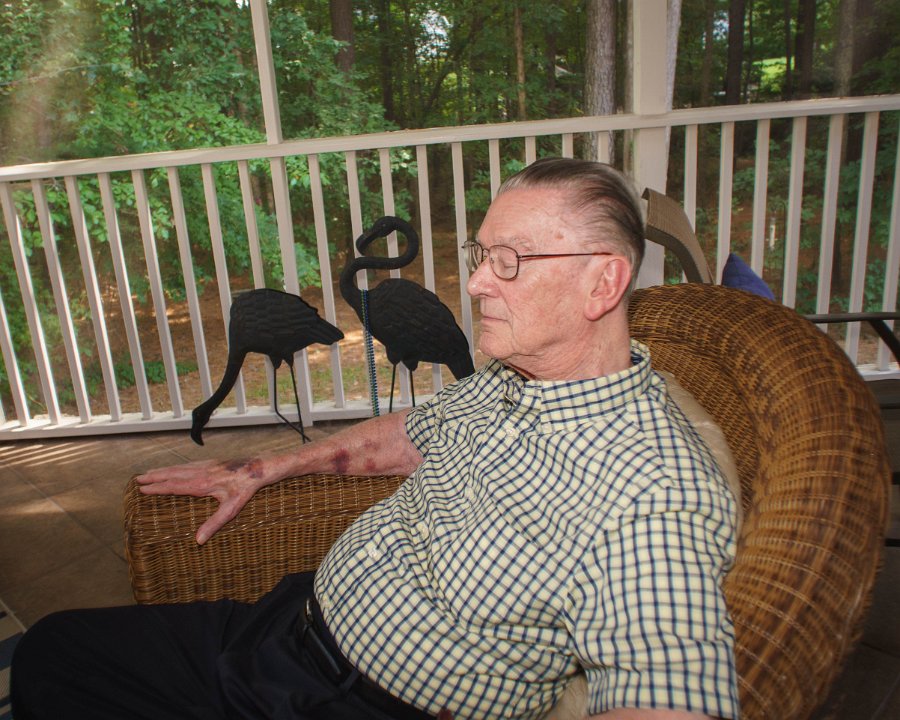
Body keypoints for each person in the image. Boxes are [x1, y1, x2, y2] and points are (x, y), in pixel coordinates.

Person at [11, 158, 739, 720]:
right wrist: (266, 468)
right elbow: (414, 432)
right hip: (284, 621)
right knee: (55, 650)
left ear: (602, 283)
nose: (476, 285)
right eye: (481, 255)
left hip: (346, 701)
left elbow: (668, 691)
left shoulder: (652, 489)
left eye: (509, 261)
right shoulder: (517, 376)